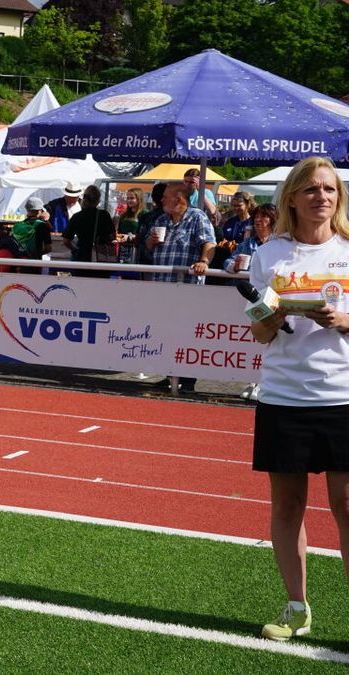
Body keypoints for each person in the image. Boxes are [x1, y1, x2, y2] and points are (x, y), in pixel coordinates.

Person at [246, 156, 349, 643]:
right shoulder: (269, 255)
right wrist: (270, 320)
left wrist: (342, 320)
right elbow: (260, 332)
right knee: (288, 507)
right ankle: (295, 608)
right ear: (291, 197)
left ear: (339, 197)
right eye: (310, 189)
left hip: (343, 395)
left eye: (328, 189)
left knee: (346, 505)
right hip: (283, 396)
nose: (320, 197)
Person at [145, 181, 216, 394]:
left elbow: (210, 243)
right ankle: (170, 374)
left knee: (187, 333)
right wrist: (152, 241)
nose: (161, 200)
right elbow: (148, 246)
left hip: (187, 288)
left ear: (178, 199)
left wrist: (204, 261)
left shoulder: (197, 217)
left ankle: (187, 379)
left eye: (165, 196)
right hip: (163, 287)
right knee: (165, 332)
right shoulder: (161, 219)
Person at [224, 203, 277, 401]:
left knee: (270, 341)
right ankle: (253, 382)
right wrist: (234, 266)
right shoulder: (248, 243)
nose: (258, 221)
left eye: (264, 217)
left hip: (273, 298)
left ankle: (263, 384)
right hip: (252, 299)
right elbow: (228, 261)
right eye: (256, 217)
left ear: (273, 220)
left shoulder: (280, 243)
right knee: (254, 342)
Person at [62, 184, 115, 277]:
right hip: (101, 258)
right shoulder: (104, 215)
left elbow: (66, 240)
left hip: (82, 258)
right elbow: (112, 236)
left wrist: (75, 250)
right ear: (98, 200)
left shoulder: (77, 217)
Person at [12, 196, 51, 263]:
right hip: (34, 262)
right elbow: (48, 248)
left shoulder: (18, 225)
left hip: (19, 261)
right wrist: (38, 254)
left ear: (27, 210)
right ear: (39, 211)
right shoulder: (42, 225)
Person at [116, 187, 145, 265]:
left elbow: (145, 235)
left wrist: (130, 237)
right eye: (128, 198)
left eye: (132, 198)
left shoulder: (145, 214)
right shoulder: (124, 215)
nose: (129, 200)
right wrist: (118, 237)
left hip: (138, 251)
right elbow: (119, 232)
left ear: (139, 199)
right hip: (123, 251)